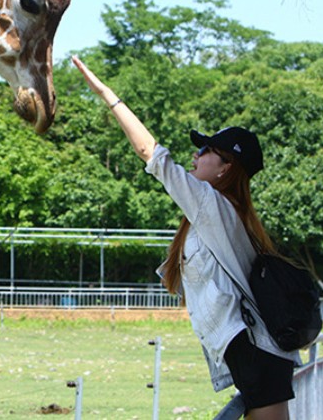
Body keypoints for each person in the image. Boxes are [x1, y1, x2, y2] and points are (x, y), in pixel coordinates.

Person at [71, 56, 299, 420]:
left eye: (207, 150)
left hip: (259, 354)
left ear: (226, 167)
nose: (196, 154)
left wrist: (107, 95)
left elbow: (152, 155)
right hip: (256, 356)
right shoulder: (217, 213)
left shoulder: (214, 207)